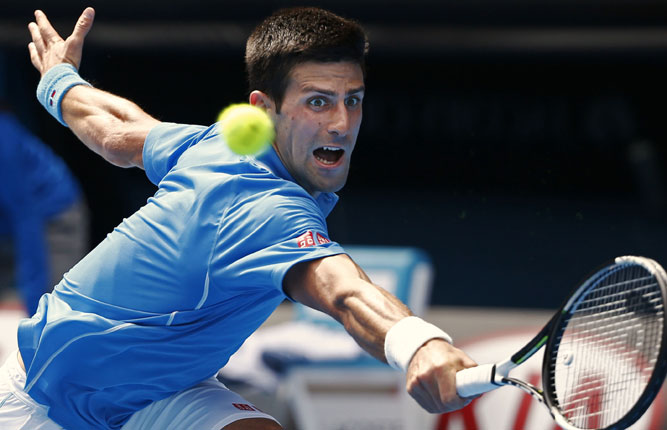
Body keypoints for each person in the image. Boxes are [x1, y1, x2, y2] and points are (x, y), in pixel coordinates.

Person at [0, 6, 477, 430]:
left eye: (352, 99)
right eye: (318, 101)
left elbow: (117, 131)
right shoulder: (268, 209)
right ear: (264, 110)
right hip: (43, 402)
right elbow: (345, 292)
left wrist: (59, 81)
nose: (341, 123)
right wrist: (420, 344)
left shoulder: (217, 144)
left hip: (164, 392)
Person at [0, 109, 88, 315]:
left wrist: (36, 313)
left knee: (54, 309)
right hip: (10, 221)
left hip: (53, 218)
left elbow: (26, 221)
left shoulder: (3, 141)